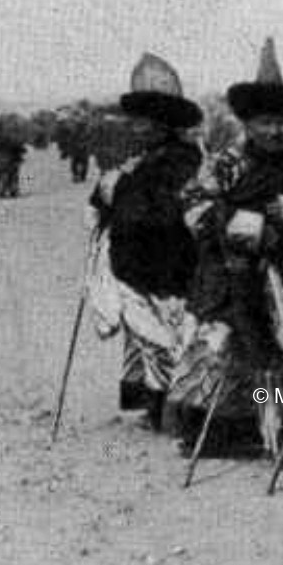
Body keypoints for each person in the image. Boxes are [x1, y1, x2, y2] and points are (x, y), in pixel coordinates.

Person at [165, 38, 283, 458]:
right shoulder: (226, 163)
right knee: (224, 350)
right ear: (247, 124)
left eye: (282, 121)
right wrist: (242, 226)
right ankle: (222, 432)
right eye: (265, 121)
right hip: (229, 274)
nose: (276, 130)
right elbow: (193, 206)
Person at [85, 52, 203, 430]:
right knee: (147, 340)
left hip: (168, 265)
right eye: (138, 119)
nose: (140, 127)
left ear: (167, 124)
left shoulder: (182, 162)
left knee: (167, 338)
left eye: (150, 121)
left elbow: (163, 213)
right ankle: (157, 408)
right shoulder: (144, 161)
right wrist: (106, 197)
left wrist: (119, 195)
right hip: (139, 265)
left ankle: (173, 412)